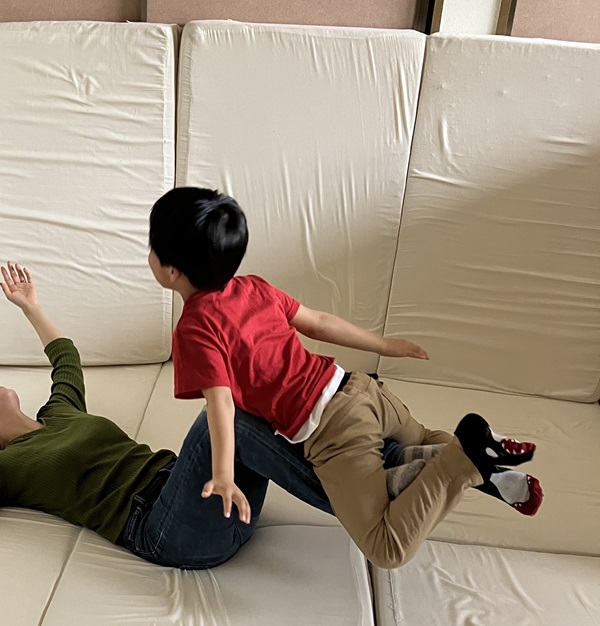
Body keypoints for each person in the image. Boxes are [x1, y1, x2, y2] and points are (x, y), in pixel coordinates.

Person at [148, 187, 543, 569]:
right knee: (424, 440)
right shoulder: (253, 287)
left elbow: (221, 404)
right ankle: (484, 462)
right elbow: (319, 322)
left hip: (336, 430)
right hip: (362, 389)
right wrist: (384, 345)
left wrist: (222, 474)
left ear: (172, 271)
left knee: (387, 546)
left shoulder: (196, 327)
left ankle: (464, 457)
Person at [0, 261, 369, 568]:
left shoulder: (59, 411)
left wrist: (30, 306)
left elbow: (66, 358)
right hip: (166, 530)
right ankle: (368, 507)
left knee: (247, 399)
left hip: (214, 503)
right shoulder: (11, 466)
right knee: (220, 416)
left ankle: (376, 473)